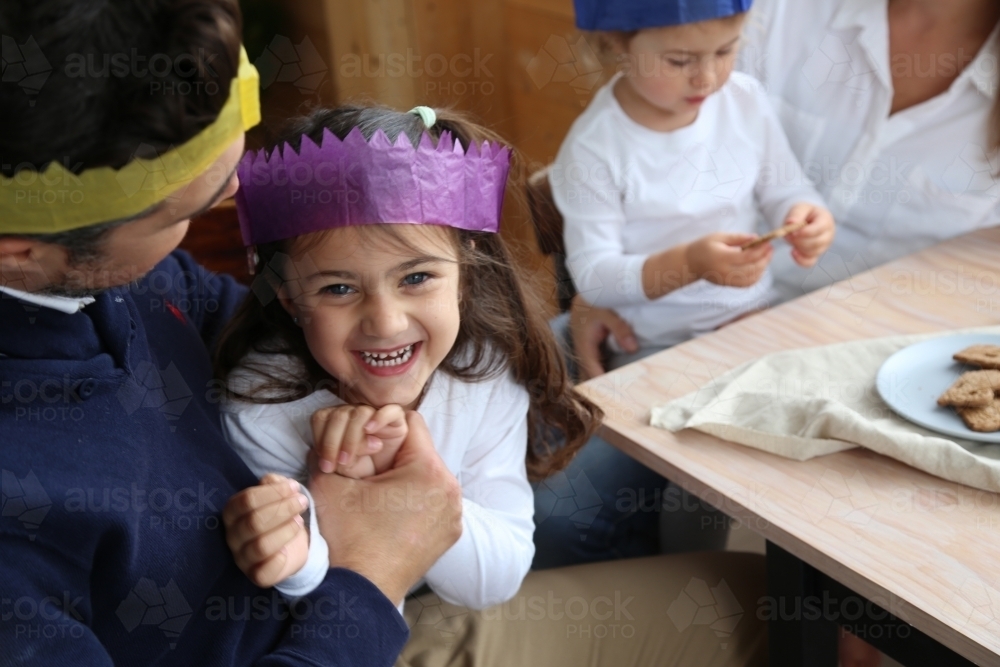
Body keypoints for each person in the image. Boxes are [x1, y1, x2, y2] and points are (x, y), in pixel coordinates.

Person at [0, 1, 771, 664]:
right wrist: (369, 571)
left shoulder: (124, 280)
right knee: (754, 602)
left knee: (683, 497)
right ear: (24, 251)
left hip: (372, 580)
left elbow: (270, 314)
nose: (238, 189)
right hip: (352, 624)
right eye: (182, 212)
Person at [215, 104, 600, 609]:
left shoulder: (483, 372)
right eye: (338, 288)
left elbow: (494, 581)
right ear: (289, 298)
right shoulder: (263, 407)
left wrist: (416, 489)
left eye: (416, 278)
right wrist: (296, 557)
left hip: (448, 602)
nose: (386, 322)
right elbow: (312, 603)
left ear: (464, 271)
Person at [535, 0, 835, 569]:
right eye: (679, 60)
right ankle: (643, 585)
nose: (707, 76)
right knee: (576, 510)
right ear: (616, 44)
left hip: (748, 336)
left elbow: (788, 189)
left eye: (725, 50)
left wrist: (808, 216)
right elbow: (595, 273)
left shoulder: (742, 101)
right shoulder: (597, 145)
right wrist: (690, 263)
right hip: (649, 352)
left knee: (710, 495)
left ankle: (689, 574)